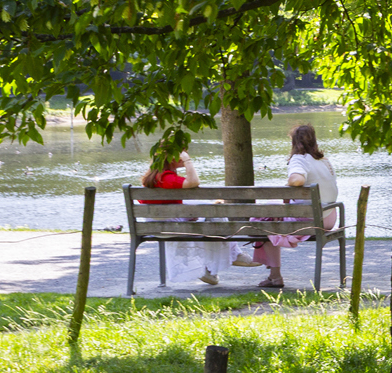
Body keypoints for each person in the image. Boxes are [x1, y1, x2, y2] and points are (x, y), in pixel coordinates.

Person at [233, 123, 338, 289]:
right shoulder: (324, 161)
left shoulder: (299, 159)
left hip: (310, 220)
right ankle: (272, 274)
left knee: (264, 222)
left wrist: (289, 185)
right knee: (269, 216)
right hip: (329, 216)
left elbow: (297, 180)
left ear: (294, 142)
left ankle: (275, 275)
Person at [142, 148, 223, 287]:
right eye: (182, 153)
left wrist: (187, 215)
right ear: (172, 158)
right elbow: (193, 182)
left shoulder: (155, 176)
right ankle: (219, 262)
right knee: (214, 215)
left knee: (208, 210)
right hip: (170, 227)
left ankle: (210, 266)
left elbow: (168, 206)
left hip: (157, 224)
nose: (185, 155)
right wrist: (187, 161)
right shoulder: (166, 177)